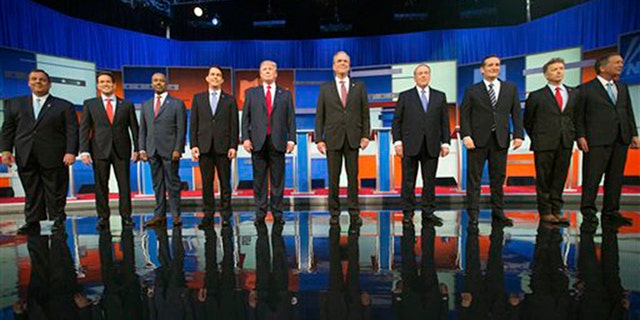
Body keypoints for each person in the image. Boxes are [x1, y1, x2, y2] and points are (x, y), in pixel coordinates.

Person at [1, 69, 78, 234]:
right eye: (34, 79)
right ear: (28, 83)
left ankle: (58, 220)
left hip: (55, 155)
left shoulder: (64, 106)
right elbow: (8, 129)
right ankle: (32, 221)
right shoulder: (14, 104)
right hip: (25, 154)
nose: (38, 82)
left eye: (42, 80)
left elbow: (72, 131)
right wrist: (5, 150)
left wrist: (71, 151)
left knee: (56, 189)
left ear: (49, 84)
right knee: (31, 189)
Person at [575, 53, 639, 232]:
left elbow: (628, 112)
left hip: (620, 139)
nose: (621, 65)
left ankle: (611, 213)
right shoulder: (585, 89)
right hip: (596, 140)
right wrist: (580, 136)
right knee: (592, 178)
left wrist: (633, 133)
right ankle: (588, 212)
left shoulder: (622, 87)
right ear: (603, 67)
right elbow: (578, 116)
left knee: (615, 178)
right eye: (617, 62)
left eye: (621, 62)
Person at [460, 54, 524, 227]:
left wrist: (519, 135)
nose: (494, 67)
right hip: (476, 141)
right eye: (490, 65)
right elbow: (464, 115)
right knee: (474, 180)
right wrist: (466, 135)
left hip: (500, 140)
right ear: (482, 69)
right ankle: (473, 214)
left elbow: (516, 113)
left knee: (498, 179)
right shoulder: (472, 90)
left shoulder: (510, 88)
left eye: (497, 65)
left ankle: (499, 213)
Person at [314, 51, 370, 225]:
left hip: (353, 138)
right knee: (333, 177)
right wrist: (319, 139)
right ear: (333, 66)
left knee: (353, 177)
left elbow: (365, 114)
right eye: (339, 61)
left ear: (349, 65)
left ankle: (354, 212)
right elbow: (319, 116)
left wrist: (365, 135)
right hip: (332, 138)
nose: (342, 63)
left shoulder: (359, 87)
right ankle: (334, 212)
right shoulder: (325, 88)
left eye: (345, 61)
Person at [392, 63, 451, 227]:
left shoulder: (440, 96)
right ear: (415, 77)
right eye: (420, 73)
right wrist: (397, 142)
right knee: (408, 181)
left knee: (429, 181)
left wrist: (445, 143)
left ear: (429, 76)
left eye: (426, 73)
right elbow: (397, 121)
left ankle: (428, 213)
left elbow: (444, 122)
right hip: (410, 145)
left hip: (432, 145)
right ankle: (407, 213)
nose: (423, 76)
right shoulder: (405, 96)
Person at [79, 72, 139, 230]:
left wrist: (138, 148)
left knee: (124, 185)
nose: (105, 84)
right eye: (101, 82)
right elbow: (84, 128)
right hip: (99, 150)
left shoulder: (127, 105)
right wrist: (84, 150)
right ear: (98, 85)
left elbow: (134, 129)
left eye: (108, 82)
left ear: (114, 85)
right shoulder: (90, 104)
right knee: (100, 186)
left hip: (122, 150)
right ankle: (103, 217)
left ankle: (126, 216)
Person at [242, 60, 297, 225]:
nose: (267, 71)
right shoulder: (251, 93)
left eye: (270, 69)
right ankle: (260, 213)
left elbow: (290, 119)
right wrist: (245, 138)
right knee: (259, 180)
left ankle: (278, 213)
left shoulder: (285, 94)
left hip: (278, 141)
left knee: (278, 180)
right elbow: (246, 118)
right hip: (257, 142)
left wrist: (292, 139)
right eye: (264, 69)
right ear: (260, 73)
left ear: (276, 74)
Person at [523, 58, 576, 226]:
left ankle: (556, 210)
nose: (559, 71)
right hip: (543, 142)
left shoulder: (573, 93)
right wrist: (538, 137)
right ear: (546, 74)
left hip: (565, 141)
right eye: (554, 69)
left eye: (561, 68)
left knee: (560, 178)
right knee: (544, 179)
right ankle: (545, 211)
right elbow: (528, 121)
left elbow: (576, 117)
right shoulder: (536, 95)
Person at [190, 66, 239, 229]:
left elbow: (234, 125)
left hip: (224, 148)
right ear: (207, 78)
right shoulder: (198, 98)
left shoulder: (230, 100)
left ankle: (226, 216)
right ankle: (208, 216)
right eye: (213, 74)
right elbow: (193, 124)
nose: (215, 77)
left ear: (222, 80)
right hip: (204, 147)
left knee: (225, 183)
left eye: (218, 75)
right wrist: (194, 145)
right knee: (207, 183)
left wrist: (233, 146)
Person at [139, 72, 187, 228]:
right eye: (155, 80)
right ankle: (159, 215)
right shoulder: (146, 105)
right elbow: (143, 130)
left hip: (170, 151)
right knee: (157, 184)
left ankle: (176, 215)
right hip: (152, 150)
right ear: (152, 84)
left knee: (172, 184)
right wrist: (142, 149)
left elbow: (181, 129)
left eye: (161, 80)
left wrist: (178, 149)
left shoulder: (177, 103)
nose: (158, 83)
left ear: (166, 84)